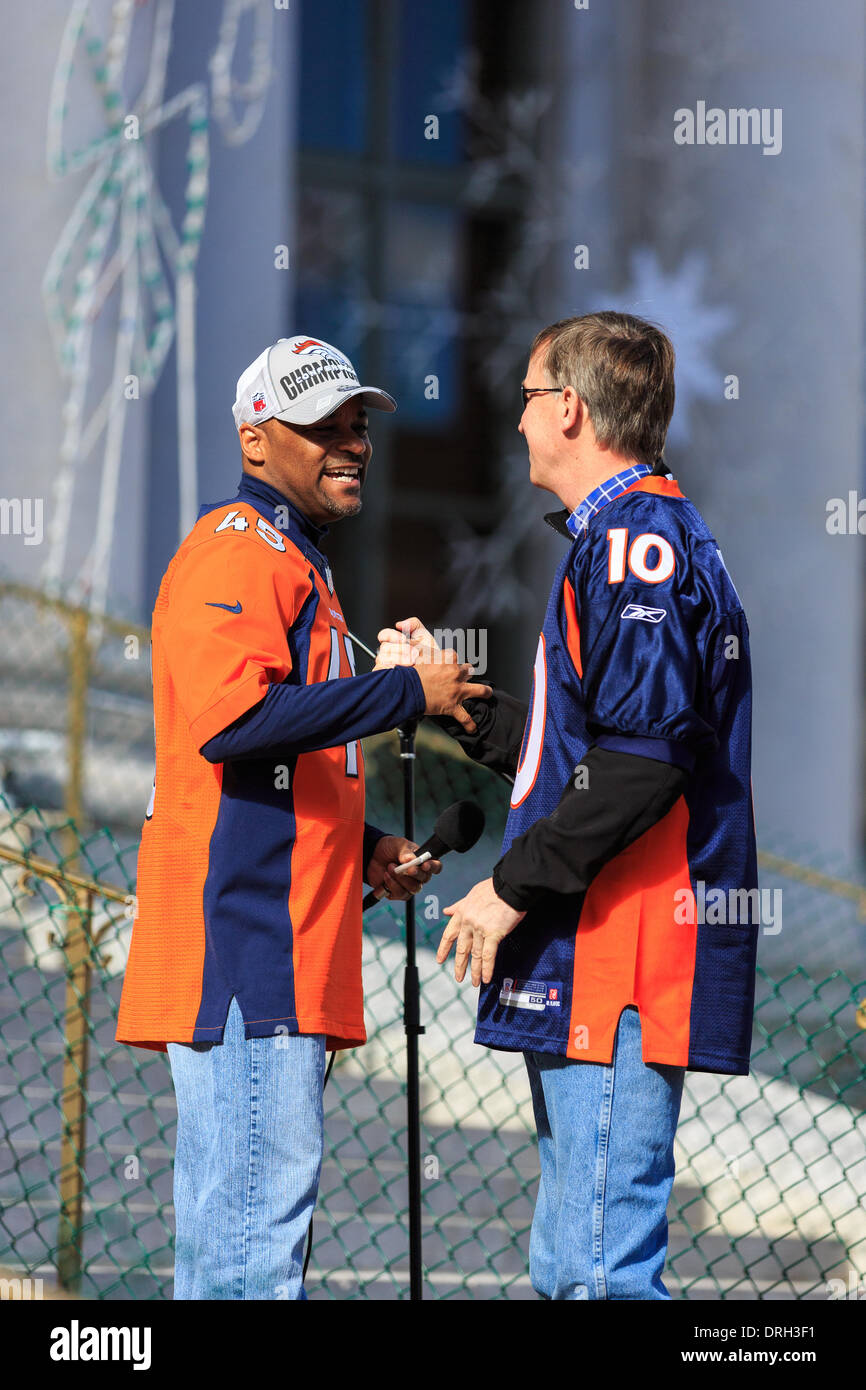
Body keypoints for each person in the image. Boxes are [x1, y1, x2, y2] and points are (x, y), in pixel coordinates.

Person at [376, 311, 758, 1301]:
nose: (515, 422)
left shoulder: (634, 541)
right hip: (605, 952)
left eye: (528, 397)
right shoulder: (629, 536)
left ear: (571, 409)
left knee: (593, 1272)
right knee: (571, 1265)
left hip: (622, 954)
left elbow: (640, 758)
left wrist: (508, 885)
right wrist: (458, 701)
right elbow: (592, 751)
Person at [115, 334, 489, 1300]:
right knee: (250, 1259)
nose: (351, 442)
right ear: (254, 439)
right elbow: (234, 724)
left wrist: (367, 853)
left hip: (279, 952)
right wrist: (405, 692)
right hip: (246, 955)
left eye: (357, 423)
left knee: (236, 1253)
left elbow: (272, 769)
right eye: (321, 424)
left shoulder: (301, 566)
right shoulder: (238, 547)